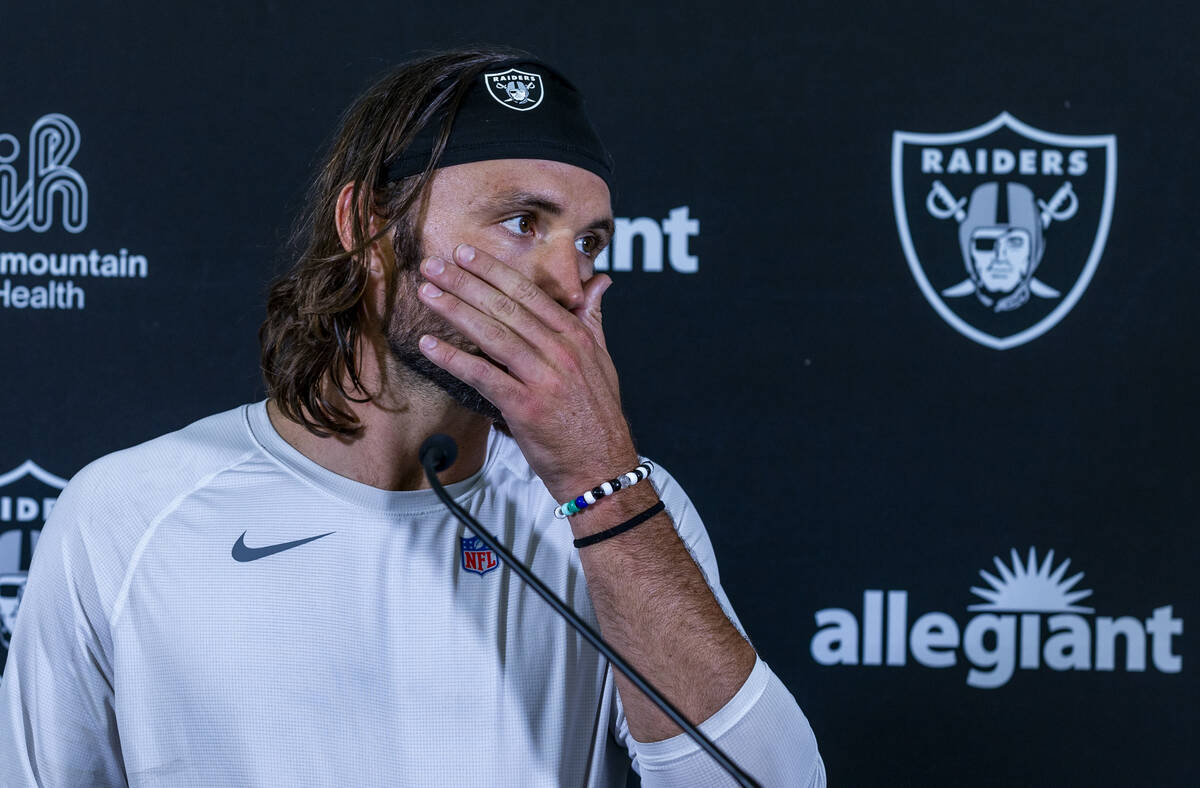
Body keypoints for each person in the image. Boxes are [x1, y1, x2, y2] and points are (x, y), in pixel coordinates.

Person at [0, 47, 825, 787]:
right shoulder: (127, 513)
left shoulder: (620, 510)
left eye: (589, 242)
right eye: (520, 222)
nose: (568, 283)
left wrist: (595, 481)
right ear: (366, 227)